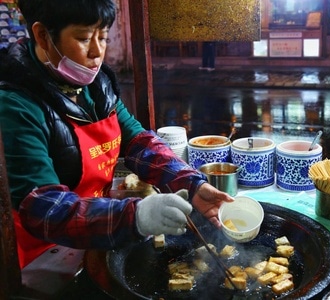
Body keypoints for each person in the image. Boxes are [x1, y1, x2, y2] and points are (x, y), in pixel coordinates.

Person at [0, 0, 233, 269]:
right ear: (42, 35)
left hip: (98, 233)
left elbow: (139, 142)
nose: (97, 52)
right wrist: (136, 217)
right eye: (84, 38)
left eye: (103, 37)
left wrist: (192, 184)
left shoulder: (96, 87)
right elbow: (45, 209)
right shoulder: (15, 105)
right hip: (42, 256)